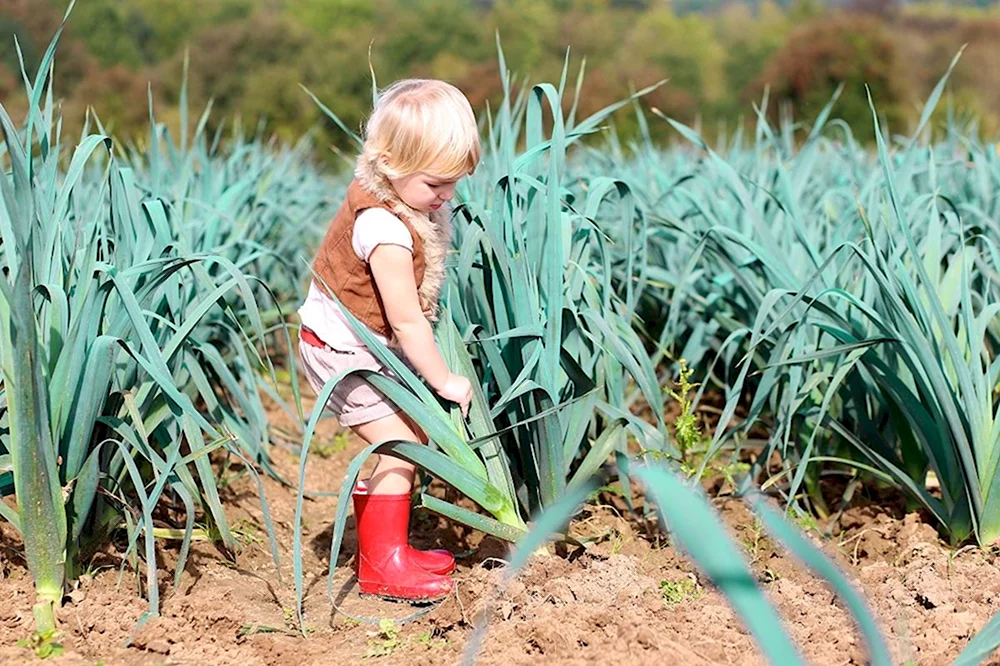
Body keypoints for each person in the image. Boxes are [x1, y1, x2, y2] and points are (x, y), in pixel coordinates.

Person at [297, 79, 478, 603]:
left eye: (455, 183)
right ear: (390, 163)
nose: (447, 196)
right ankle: (382, 565)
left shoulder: (401, 199)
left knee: (406, 438)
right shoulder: (385, 231)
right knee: (404, 444)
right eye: (436, 184)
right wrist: (444, 379)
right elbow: (407, 322)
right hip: (340, 355)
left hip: (357, 345)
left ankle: (383, 546)